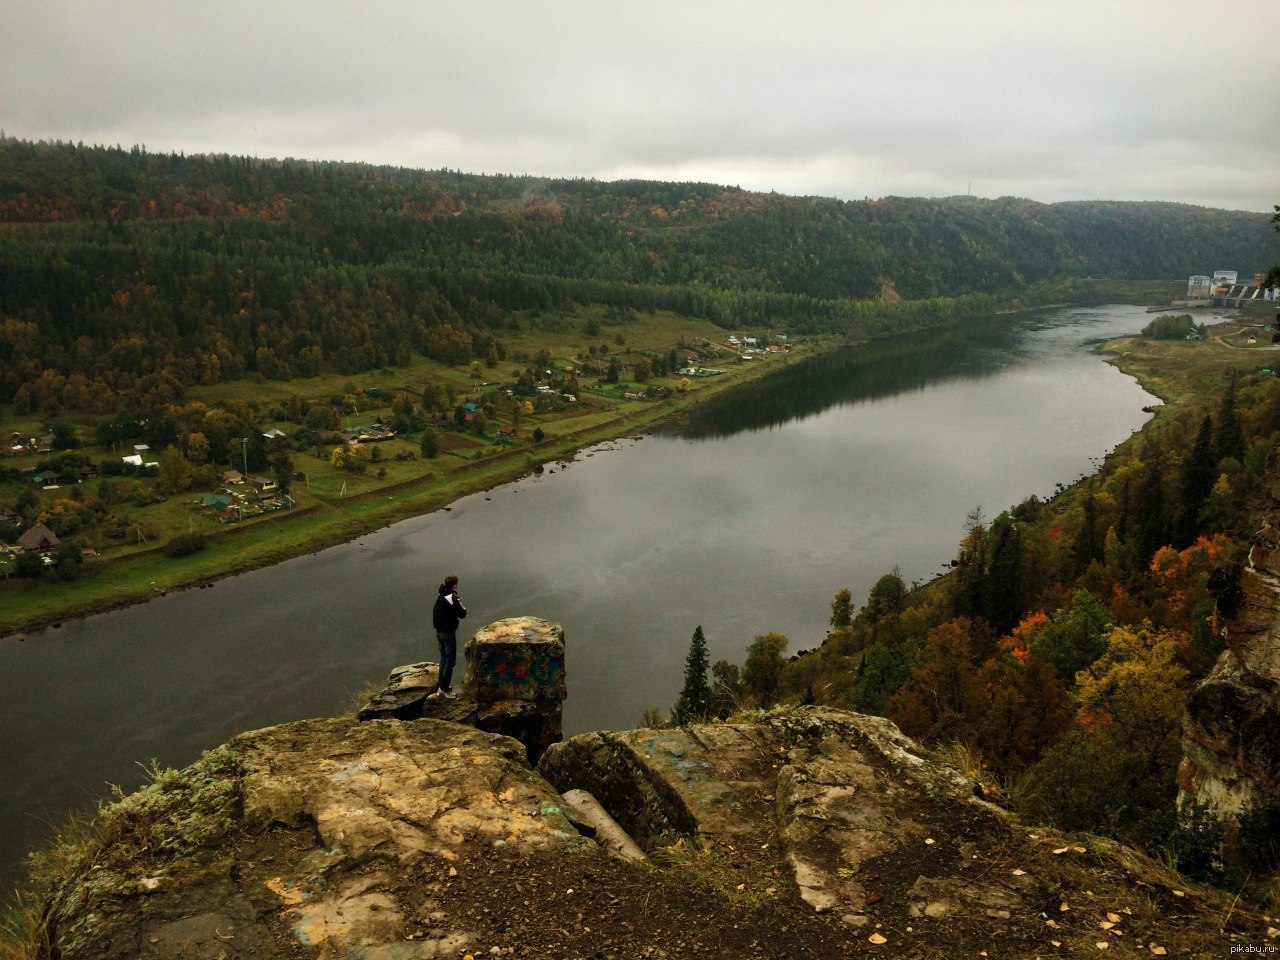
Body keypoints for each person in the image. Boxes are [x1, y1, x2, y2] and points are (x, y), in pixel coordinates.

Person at [429, 574, 467, 699]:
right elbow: (463, 613)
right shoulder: (452, 596)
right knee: (450, 661)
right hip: (447, 633)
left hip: (438, 632)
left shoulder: (441, 595)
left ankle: (441, 686)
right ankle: (444, 690)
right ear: (455, 584)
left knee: (443, 659)